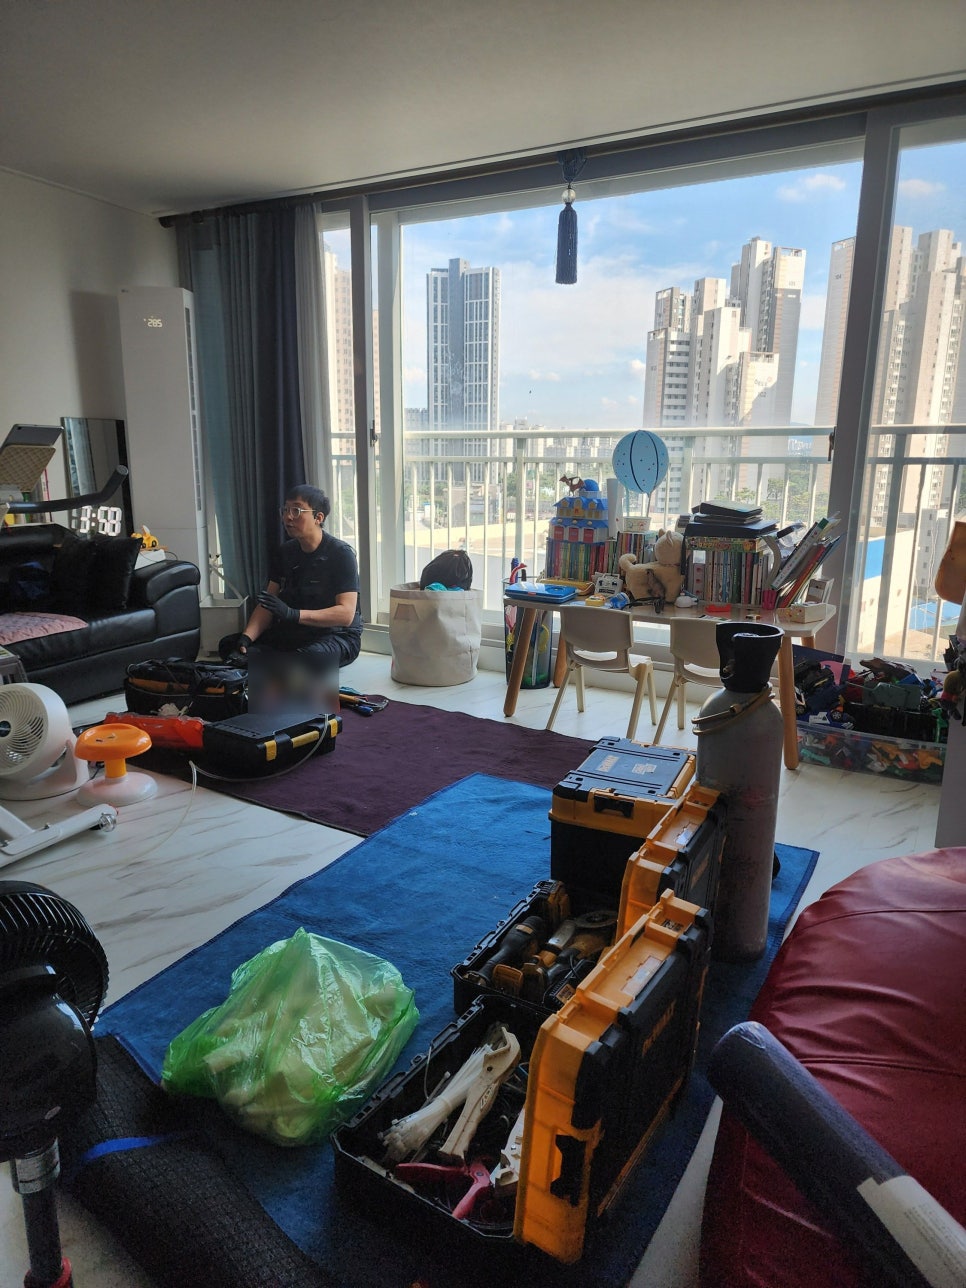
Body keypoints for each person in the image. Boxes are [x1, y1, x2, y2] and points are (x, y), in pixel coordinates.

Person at [222, 485, 363, 678]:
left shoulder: (341, 554)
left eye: (296, 510)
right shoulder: (285, 552)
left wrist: (292, 614)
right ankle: (271, 666)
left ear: (318, 517)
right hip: (296, 632)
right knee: (229, 646)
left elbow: (345, 614)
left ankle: (269, 667)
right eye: (285, 510)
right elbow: (267, 604)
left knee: (309, 658)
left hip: (336, 635)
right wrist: (246, 638)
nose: (288, 517)